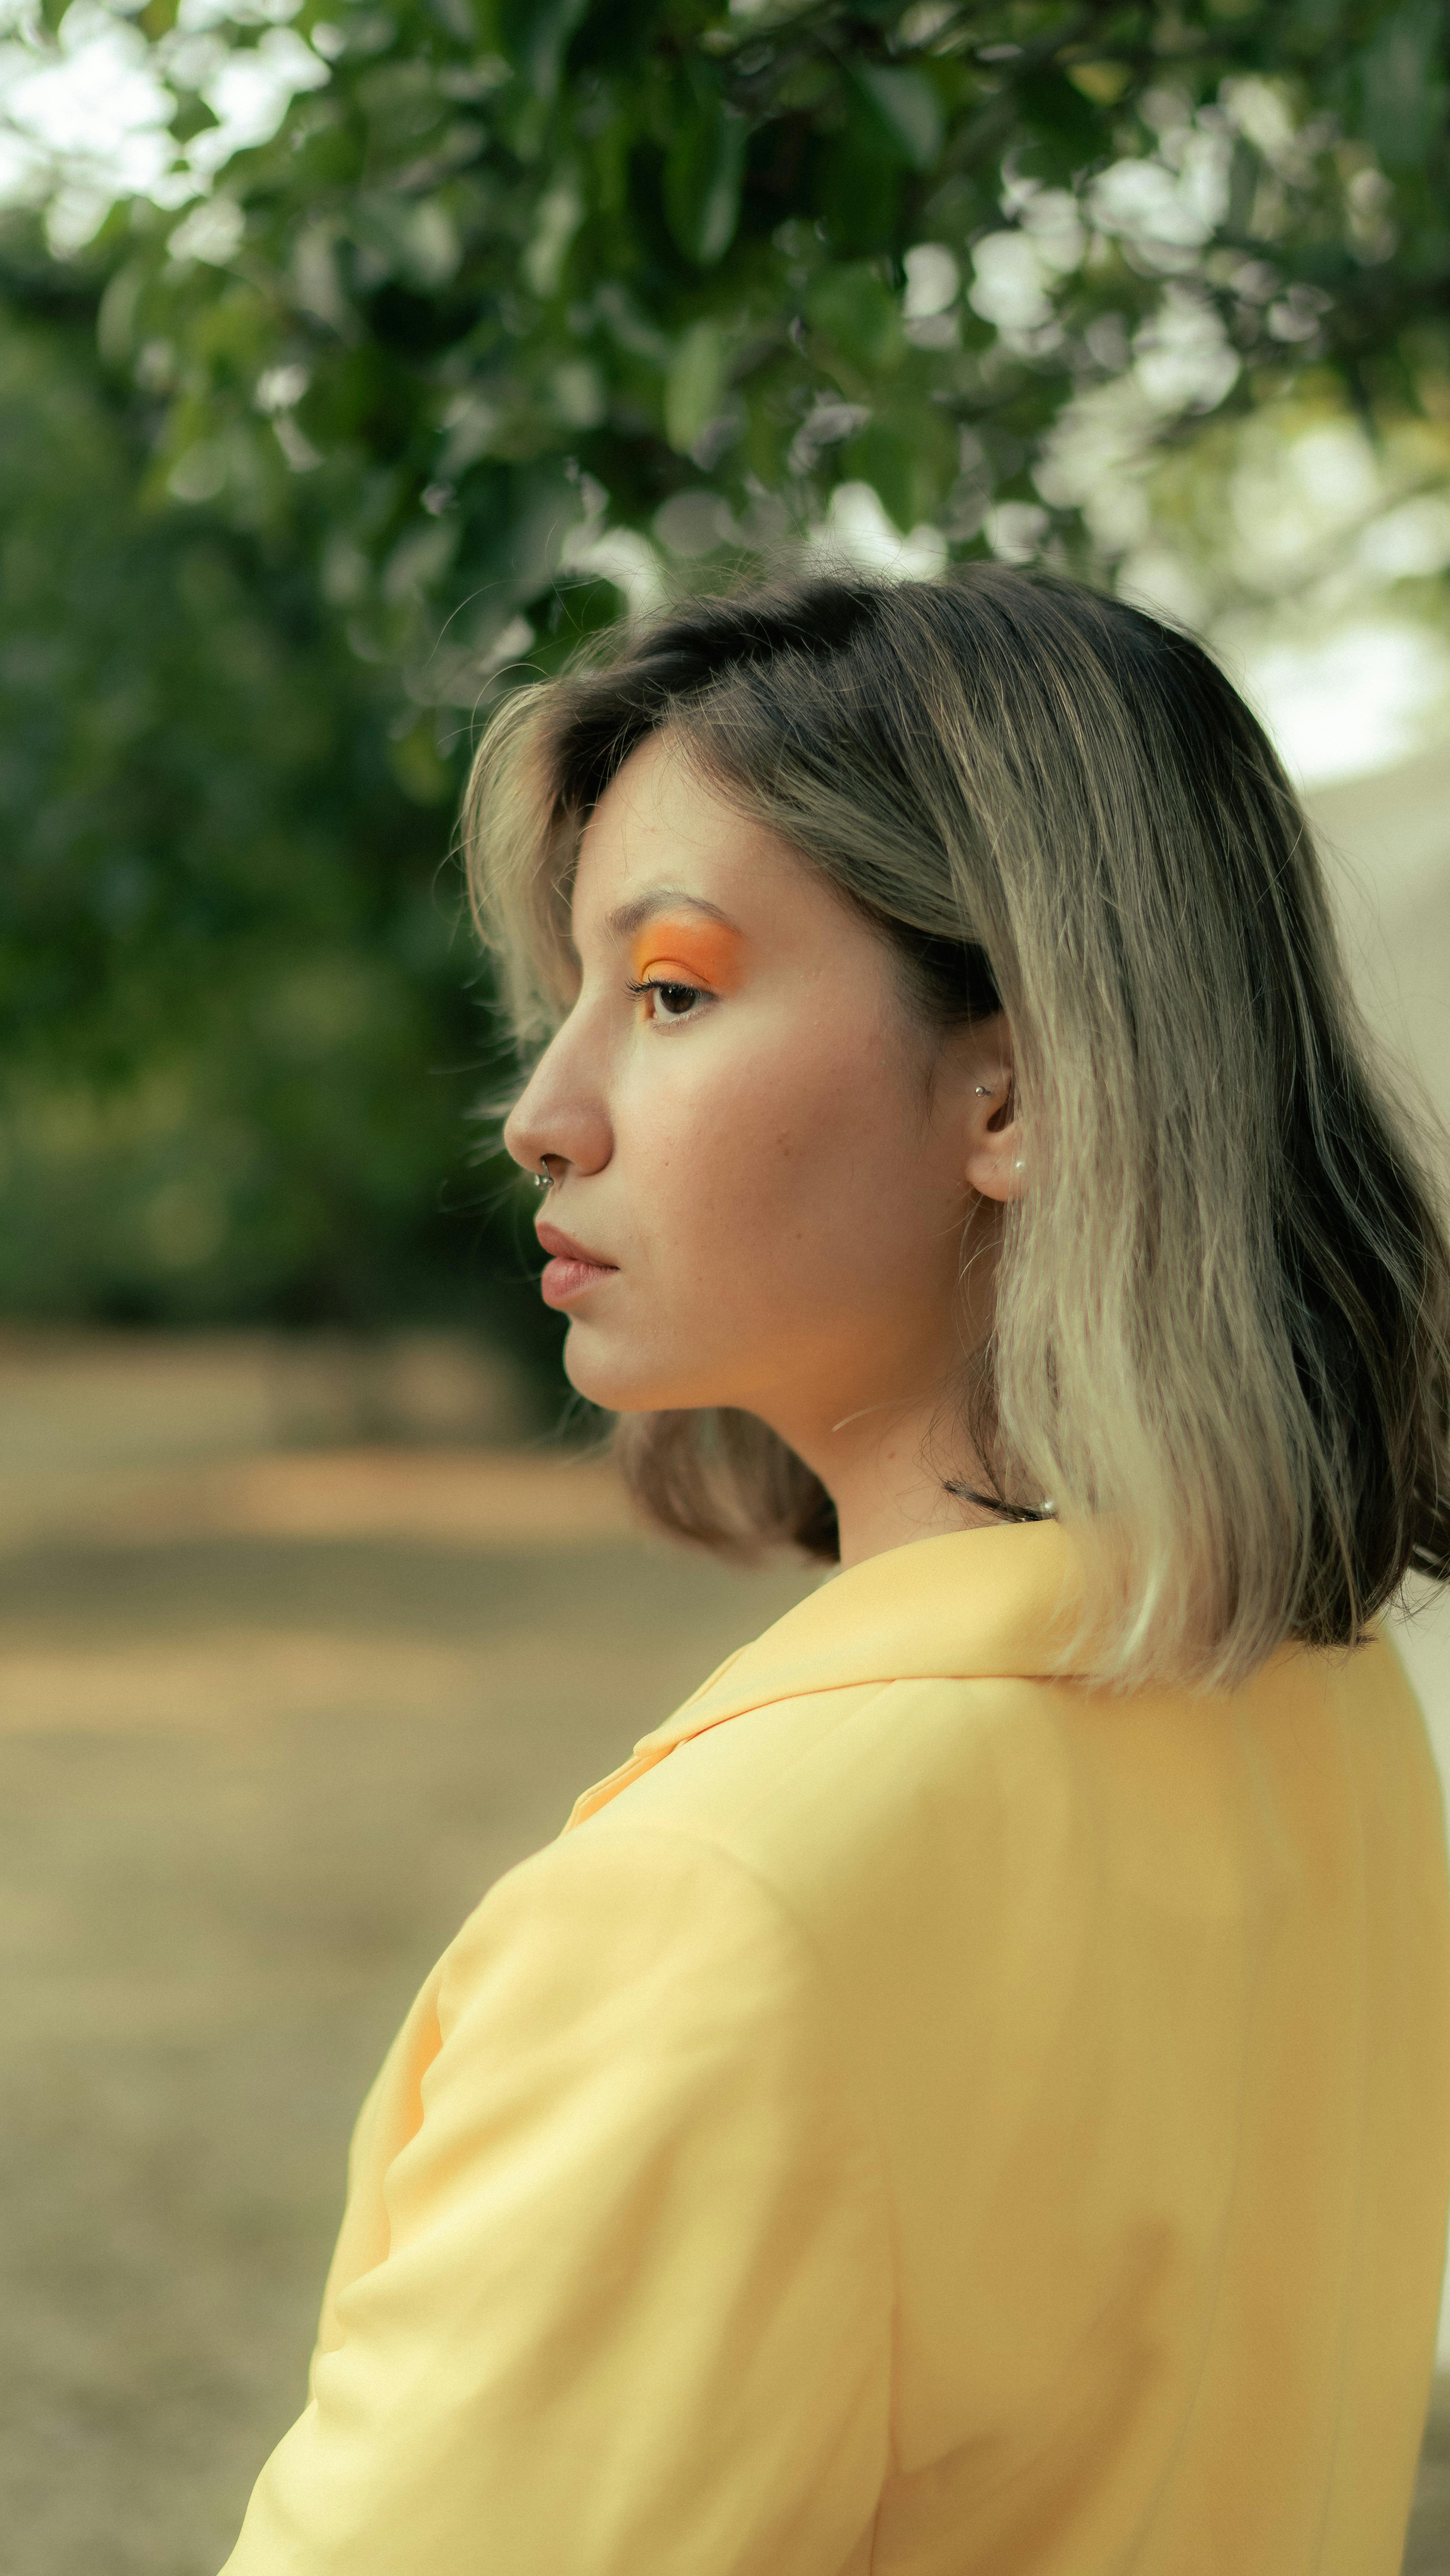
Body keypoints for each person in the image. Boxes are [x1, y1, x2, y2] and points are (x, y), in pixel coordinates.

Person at [220, 566, 1450, 2575]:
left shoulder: (718, 1912)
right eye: (572, 1009)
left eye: (676, 991)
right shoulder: (1320, 1710)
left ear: (1016, 1091)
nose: (542, 1116)